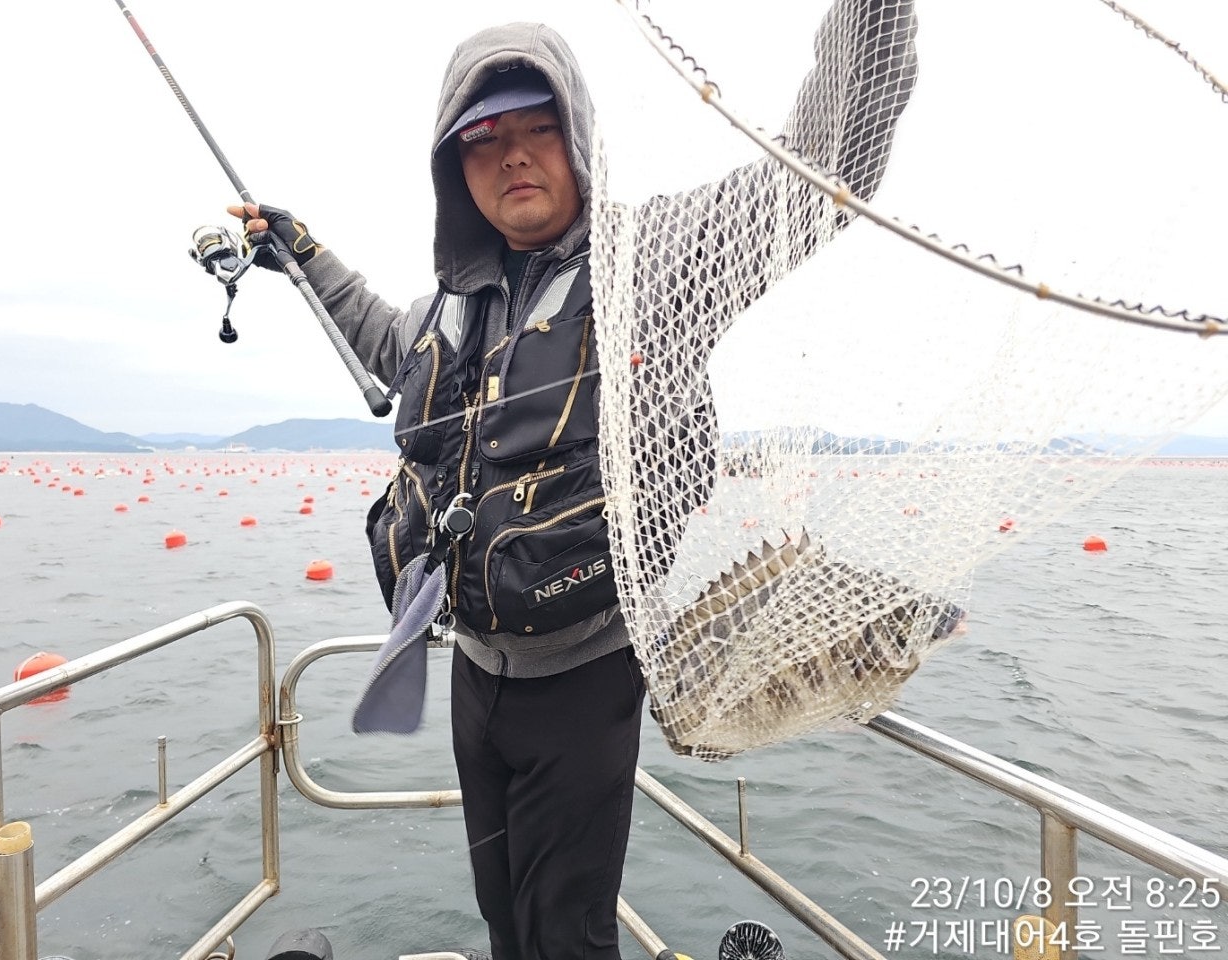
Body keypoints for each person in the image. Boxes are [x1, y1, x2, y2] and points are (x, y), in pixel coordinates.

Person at [231, 5, 917, 958]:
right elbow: (387, 342)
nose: (513, 155)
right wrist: (304, 256)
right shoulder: (452, 306)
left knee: (568, 931)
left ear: (578, 136)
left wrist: (876, 17)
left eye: (538, 127)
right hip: (472, 675)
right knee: (503, 917)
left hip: (584, 681)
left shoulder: (655, 266)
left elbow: (826, 170)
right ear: (455, 167)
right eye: (484, 138)